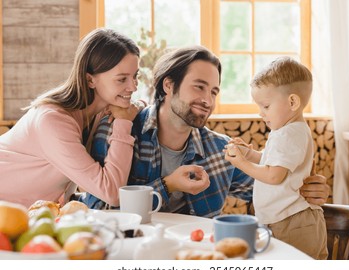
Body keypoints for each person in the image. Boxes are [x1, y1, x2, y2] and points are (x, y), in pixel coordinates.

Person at [82, 46, 330, 218]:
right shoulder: (119, 132)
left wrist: (306, 186)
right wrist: (166, 186)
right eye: (199, 87)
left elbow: (273, 186)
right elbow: (98, 211)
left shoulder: (219, 151)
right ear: (168, 85)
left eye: (213, 92)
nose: (207, 101)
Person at [0, 28, 143, 208]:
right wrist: (123, 123)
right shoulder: (52, 121)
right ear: (90, 80)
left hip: (31, 216)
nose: (133, 87)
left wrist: (132, 110)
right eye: (122, 79)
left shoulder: (102, 110)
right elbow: (112, 193)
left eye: (135, 76)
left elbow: (139, 105)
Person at [225, 57, 328, 259]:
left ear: (292, 102)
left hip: (294, 221)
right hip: (284, 219)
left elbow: (274, 176)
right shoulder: (286, 131)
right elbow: (271, 162)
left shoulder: (289, 133)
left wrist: (241, 163)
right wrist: (249, 154)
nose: (261, 113)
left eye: (265, 106)